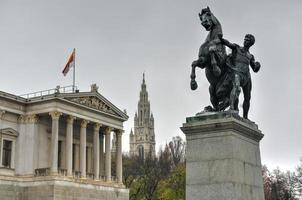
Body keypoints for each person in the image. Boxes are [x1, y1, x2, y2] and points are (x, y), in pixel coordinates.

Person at [217, 34, 260, 119]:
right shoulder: (237, 48)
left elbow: (254, 68)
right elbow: (228, 43)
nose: (245, 41)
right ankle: (232, 108)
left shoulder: (250, 56)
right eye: (245, 39)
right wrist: (221, 39)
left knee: (247, 97)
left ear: (251, 43)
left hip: (246, 76)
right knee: (236, 87)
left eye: (247, 40)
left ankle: (245, 117)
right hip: (236, 73)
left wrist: (258, 65)